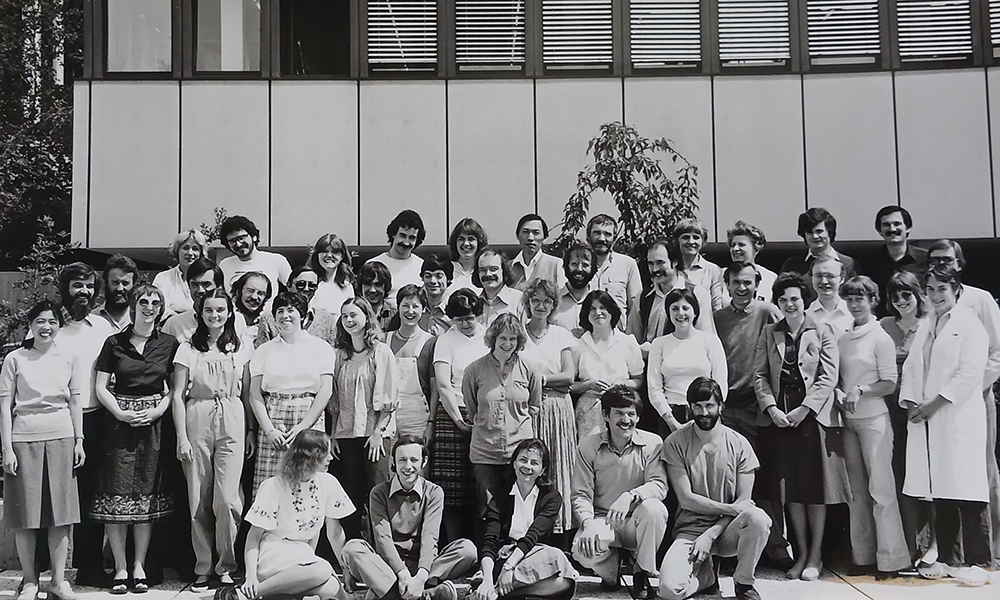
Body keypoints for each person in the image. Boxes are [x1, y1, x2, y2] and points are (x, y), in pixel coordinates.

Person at [753, 273, 849, 581]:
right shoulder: (770, 332)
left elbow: (828, 375)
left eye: (794, 298)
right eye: (782, 300)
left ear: (804, 300)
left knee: (813, 490)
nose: (789, 304)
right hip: (779, 418)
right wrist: (771, 408)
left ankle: (815, 556)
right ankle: (800, 553)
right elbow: (759, 375)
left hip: (811, 417)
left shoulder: (822, 330)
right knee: (789, 490)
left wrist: (805, 409)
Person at [899, 266, 991, 570]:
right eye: (931, 289)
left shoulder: (970, 325)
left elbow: (969, 374)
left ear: (956, 290)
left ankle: (980, 563)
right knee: (941, 489)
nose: (936, 295)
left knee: (968, 488)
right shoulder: (927, 324)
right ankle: (950, 561)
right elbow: (912, 366)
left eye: (942, 289)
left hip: (956, 417)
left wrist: (934, 404)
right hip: (927, 420)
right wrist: (912, 401)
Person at [92, 284, 179, 594]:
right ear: (133, 305)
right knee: (115, 496)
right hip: (118, 425)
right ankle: (119, 567)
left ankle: (139, 565)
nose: (149, 307)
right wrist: (120, 413)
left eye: (155, 302)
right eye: (143, 301)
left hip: (154, 425)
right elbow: (101, 386)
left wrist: (156, 412)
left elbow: (173, 389)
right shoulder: (113, 342)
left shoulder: (169, 343)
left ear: (161, 308)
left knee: (145, 496)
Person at [1, 301, 86, 600]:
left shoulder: (70, 358)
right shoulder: (15, 359)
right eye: (39, 321)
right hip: (24, 440)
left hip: (62, 438)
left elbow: (76, 401)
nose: (45, 327)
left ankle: (58, 581)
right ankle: (28, 581)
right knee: (25, 516)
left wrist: (79, 440)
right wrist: (7, 448)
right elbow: (4, 406)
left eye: (51, 321)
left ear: (59, 326)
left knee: (60, 515)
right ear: (31, 324)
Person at [658, 378, 770, 600]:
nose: (704, 412)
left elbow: (744, 504)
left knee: (758, 518)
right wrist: (728, 512)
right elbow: (687, 499)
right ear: (689, 407)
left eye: (709, 405)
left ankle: (743, 583)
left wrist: (711, 533)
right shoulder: (675, 442)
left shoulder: (739, 444)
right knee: (670, 591)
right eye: (697, 406)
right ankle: (705, 578)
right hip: (690, 530)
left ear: (721, 406)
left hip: (729, 532)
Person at [171, 288, 252, 591]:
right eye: (209, 310)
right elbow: (178, 395)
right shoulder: (187, 348)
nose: (214, 315)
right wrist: (182, 436)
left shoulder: (242, 346)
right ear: (201, 313)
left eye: (220, 310)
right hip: (198, 416)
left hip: (232, 415)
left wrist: (252, 430)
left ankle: (227, 564)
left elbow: (246, 392)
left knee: (228, 498)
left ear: (230, 312)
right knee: (198, 497)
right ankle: (203, 566)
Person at [927, 239, 1000, 564]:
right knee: (946, 477)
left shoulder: (979, 300)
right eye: (935, 259)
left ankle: (990, 552)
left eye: (947, 259)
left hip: (974, 398)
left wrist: (970, 390)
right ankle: (950, 557)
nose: (942, 264)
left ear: (959, 264)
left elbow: (995, 352)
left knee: (980, 474)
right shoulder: (931, 306)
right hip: (939, 406)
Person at [712, 262, 787, 569]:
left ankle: (777, 548)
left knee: (763, 479)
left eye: (746, 282)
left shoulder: (768, 312)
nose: (741, 288)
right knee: (729, 480)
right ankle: (732, 549)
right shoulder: (717, 318)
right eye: (735, 283)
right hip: (727, 410)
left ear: (756, 284)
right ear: (726, 286)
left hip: (759, 409)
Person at [835, 276, 909, 577]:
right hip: (848, 423)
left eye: (860, 298)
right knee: (856, 493)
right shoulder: (842, 338)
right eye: (850, 298)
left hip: (875, 421)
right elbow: (840, 379)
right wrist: (841, 391)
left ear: (872, 300)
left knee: (881, 490)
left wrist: (861, 390)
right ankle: (862, 557)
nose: (855, 304)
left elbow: (890, 383)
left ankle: (892, 560)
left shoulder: (880, 337)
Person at [341, 436, 476, 600]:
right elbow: (383, 539)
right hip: (388, 567)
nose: (408, 466)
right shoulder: (379, 493)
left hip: (424, 566)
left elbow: (430, 536)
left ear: (423, 462)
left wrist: (420, 576)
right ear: (394, 462)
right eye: (402, 460)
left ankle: (389, 593)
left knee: (467, 549)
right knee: (352, 548)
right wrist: (402, 573)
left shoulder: (434, 492)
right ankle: (425, 594)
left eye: (414, 460)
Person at [227, 430, 354, 600]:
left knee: (332, 588)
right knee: (322, 569)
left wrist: (345, 568)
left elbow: (335, 533)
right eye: (326, 453)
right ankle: (247, 594)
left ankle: (266, 595)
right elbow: (253, 537)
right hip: (274, 553)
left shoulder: (328, 482)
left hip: (302, 559)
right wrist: (251, 576)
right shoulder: (273, 486)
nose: (330, 458)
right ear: (311, 457)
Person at [571, 385, 668, 599]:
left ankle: (640, 570)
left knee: (655, 510)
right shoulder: (588, 446)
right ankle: (611, 572)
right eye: (619, 413)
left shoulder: (653, 444)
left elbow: (659, 485)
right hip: (603, 519)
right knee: (581, 548)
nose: (626, 420)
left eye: (631, 414)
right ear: (606, 415)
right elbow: (581, 494)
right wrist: (587, 523)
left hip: (637, 520)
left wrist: (630, 496)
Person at [56, 262, 118, 587]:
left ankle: (90, 567)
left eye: (89, 286)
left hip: (97, 419)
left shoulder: (102, 328)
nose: (85, 292)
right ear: (65, 288)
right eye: (78, 285)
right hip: (59, 420)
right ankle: (45, 569)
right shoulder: (50, 328)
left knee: (93, 495)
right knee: (59, 497)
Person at [248, 291, 334, 496]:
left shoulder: (320, 347)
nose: (285, 315)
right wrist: (269, 430)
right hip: (274, 417)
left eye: (291, 310)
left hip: (308, 416)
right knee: (272, 485)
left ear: (303, 316)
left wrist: (304, 426)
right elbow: (254, 394)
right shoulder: (264, 350)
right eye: (280, 311)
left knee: (308, 480)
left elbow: (326, 390)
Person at [472, 439, 578, 600]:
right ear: (514, 463)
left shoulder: (551, 497)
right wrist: (488, 577)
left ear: (542, 470)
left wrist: (509, 568)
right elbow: (490, 540)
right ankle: (489, 583)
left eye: (534, 463)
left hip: (532, 553)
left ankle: (496, 593)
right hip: (504, 556)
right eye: (522, 460)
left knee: (565, 580)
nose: (527, 466)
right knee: (557, 565)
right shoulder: (499, 495)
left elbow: (532, 536)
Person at [329, 297, 398, 540]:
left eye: (354, 315)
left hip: (375, 434)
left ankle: (384, 548)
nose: (349, 320)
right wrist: (335, 434)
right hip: (347, 434)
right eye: (345, 315)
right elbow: (335, 397)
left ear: (366, 317)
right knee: (352, 495)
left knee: (377, 493)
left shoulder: (381, 351)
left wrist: (379, 431)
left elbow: (389, 395)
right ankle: (355, 550)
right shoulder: (340, 355)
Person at [465, 314, 542, 527]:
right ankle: (486, 556)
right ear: (493, 338)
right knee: (486, 510)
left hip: (519, 453)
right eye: (503, 338)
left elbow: (534, 405)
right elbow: (472, 408)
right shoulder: (474, 370)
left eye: (513, 339)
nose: (508, 344)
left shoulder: (530, 368)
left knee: (518, 509)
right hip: (485, 453)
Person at [879, 272, 933, 563]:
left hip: (920, 412)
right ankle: (908, 547)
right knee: (900, 478)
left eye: (906, 295)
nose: (901, 301)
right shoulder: (884, 325)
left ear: (917, 295)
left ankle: (933, 547)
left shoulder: (929, 325)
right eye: (895, 296)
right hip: (889, 412)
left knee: (927, 479)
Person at [519, 279, 578, 537]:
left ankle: (561, 533)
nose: (540, 306)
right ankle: (530, 531)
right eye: (535, 300)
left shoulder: (561, 335)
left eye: (547, 301)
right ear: (528, 303)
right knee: (530, 466)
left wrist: (540, 380)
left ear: (553, 306)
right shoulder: (519, 334)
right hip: (526, 408)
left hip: (556, 408)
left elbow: (568, 376)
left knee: (559, 468)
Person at [430, 289, 487, 541]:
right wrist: (459, 421)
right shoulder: (446, 340)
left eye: (470, 317)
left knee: (481, 481)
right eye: (459, 318)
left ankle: (480, 544)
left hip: (484, 414)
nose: (465, 323)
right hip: (452, 412)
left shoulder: (488, 337)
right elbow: (443, 384)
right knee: (451, 487)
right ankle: (453, 543)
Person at [647, 288, 727, 436]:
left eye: (685, 308)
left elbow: (720, 383)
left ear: (695, 312)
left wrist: (708, 412)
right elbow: (654, 388)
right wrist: (671, 421)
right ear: (668, 313)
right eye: (675, 308)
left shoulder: (710, 341)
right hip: (670, 414)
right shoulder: (659, 344)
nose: (680, 313)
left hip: (705, 412)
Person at [571, 290, 643, 438]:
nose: (598, 312)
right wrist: (588, 384)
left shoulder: (627, 342)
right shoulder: (578, 345)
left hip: (621, 407)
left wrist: (621, 384)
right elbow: (569, 384)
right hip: (589, 410)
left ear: (611, 311)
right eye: (592, 309)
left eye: (603, 307)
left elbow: (639, 380)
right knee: (591, 453)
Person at [626, 239, 714, 358]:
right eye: (650, 264)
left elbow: (707, 342)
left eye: (660, 263)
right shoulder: (643, 297)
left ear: (675, 262)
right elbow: (631, 339)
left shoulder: (697, 295)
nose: (655, 269)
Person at [856, 206, 928, 317]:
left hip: (921, 322)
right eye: (886, 225)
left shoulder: (926, 259)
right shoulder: (867, 262)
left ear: (908, 228)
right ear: (880, 231)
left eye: (897, 224)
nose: (892, 229)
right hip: (882, 324)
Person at [162, 257, 249, 345]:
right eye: (194, 284)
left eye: (206, 284)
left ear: (219, 287)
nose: (200, 290)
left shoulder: (237, 320)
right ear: (188, 286)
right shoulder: (174, 325)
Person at [389, 285, 437, 440]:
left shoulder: (430, 342)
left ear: (423, 310)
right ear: (398, 307)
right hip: (386, 414)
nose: (410, 311)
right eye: (405, 306)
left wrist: (431, 423)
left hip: (418, 416)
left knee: (414, 460)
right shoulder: (384, 340)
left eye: (415, 306)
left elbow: (435, 388)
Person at [218, 215, 292, 310]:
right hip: (236, 321)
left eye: (241, 238)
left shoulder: (277, 260)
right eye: (232, 241)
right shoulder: (224, 265)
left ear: (254, 236)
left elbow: (294, 291)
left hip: (268, 320)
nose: (238, 244)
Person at [779, 208, 856, 295]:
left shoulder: (849, 264)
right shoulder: (792, 265)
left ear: (829, 233)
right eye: (809, 232)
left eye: (819, 231)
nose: (815, 236)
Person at [256, 266, 338, 347]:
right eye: (301, 284)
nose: (306, 289)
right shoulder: (268, 319)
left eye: (312, 285)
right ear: (288, 286)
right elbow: (262, 354)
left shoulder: (327, 319)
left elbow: (332, 352)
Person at [587, 214, 642, 319]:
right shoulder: (578, 268)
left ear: (614, 238)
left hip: (618, 333)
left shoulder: (628, 264)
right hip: (585, 333)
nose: (602, 238)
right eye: (596, 233)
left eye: (607, 234)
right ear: (588, 236)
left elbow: (635, 308)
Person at [152, 229, 209, 318]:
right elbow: (158, 307)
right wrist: (181, 320)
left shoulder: (209, 278)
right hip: (170, 327)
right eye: (185, 248)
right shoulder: (163, 278)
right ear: (177, 251)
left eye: (195, 249)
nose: (190, 253)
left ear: (201, 254)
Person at [672, 218, 724, 311]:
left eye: (696, 237)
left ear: (703, 241)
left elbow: (717, 306)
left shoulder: (713, 270)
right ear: (677, 241)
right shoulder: (671, 268)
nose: (691, 242)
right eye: (685, 237)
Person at [368, 210, 426, 290]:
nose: (406, 242)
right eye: (402, 236)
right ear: (393, 234)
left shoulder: (422, 266)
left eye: (412, 238)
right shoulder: (373, 264)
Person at [725, 220, 777, 304]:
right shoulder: (720, 276)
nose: (735, 249)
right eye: (733, 245)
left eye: (741, 245)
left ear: (756, 249)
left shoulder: (770, 278)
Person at [551, 242, 596, 337]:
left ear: (593, 269)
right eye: (574, 264)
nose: (579, 269)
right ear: (566, 267)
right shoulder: (552, 302)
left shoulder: (601, 302)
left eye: (585, 265)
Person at [510, 214, 563, 291]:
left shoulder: (556, 265)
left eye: (536, 232)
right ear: (517, 236)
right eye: (525, 232)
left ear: (545, 237)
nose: (530, 238)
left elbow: (562, 296)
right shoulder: (508, 267)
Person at [474, 248, 524, 327]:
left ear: (504, 270)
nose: (488, 274)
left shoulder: (520, 300)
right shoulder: (474, 302)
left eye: (493, 269)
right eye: (482, 270)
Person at [307, 233, 355, 316]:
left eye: (335, 252)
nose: (329, 255)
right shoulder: (308, 285)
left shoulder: (347, 286)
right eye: (324, 251)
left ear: (342, 256)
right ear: (317, 255)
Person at [805, 256, 853, 336]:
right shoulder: (804, 316)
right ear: (812, 279)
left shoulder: (854, 314)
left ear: (841, 278)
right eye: (819, 276)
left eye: (830, 276)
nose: (824, 281)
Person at [95, 254, 138, 332]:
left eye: (125, 283)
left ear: (134, 285)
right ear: (106, 282)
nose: (120, 288)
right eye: (115, 282)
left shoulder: (141, 319)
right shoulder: (92, 319)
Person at [232, 271, 273, 346]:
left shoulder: (270, 323)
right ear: (239, 291)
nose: (254, 297)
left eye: (260, 293)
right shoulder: (228, 317)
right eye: (250, 291)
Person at [448, 218, 488, 292]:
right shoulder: (447, 269)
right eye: (461, 239)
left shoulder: (486, 271)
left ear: (479, 243)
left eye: (471, 239)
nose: (466, 244)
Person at [357, 262, 398, 334]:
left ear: (386, 287)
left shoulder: (395, 316)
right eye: (368, 284)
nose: (372, 290)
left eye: (378, 285)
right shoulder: (351, 315)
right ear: (361, 286)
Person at [419, 255, 453, 335]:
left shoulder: (455, 309)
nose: (433, 281)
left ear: (448, 279)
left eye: (439, 276)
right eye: (428, 276)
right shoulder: (416, 307)